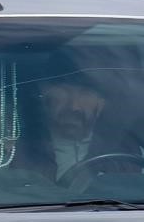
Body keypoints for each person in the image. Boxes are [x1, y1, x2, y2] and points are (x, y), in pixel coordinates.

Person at [13, 52, 139, 183]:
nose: (74, 106)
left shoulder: (128, 150)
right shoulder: (18, 150)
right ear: (45, 94)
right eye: (65, 91)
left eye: (85, 93)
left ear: (101, 103)